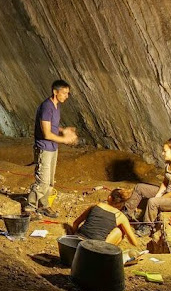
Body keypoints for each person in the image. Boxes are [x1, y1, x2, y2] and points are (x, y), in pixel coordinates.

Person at [25, 79, 78, 219]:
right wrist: (65, 139)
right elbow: (46, 133)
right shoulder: (46, 107)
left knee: (50, 181)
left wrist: (63, 130)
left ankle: (44, 206)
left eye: (68, 93)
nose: (67, 96)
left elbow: (51, 126)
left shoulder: (56, 106)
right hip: (44, 148)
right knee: (42, 180)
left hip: (53, 148)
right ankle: (29, 207)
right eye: (64, 93)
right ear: (55, 92)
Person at [124, 137, 171, 237]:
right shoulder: (169, 165)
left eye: (165, 151)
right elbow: (165, 182)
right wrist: (159, 193)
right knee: (140, 187)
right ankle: (127, 213)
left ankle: (147, 227)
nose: (163, 153)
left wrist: (159, 198)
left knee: (152, 201)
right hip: (168, 193)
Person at [72, 189, 139, 246]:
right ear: (122, 204)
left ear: (109, 198)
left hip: (78, 242)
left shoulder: (96, 206)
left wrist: (73, 235)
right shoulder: (120, 216)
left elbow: (75, 223)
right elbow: (134, 242)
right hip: (94, 248)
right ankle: (106, 255)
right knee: (120, 231)